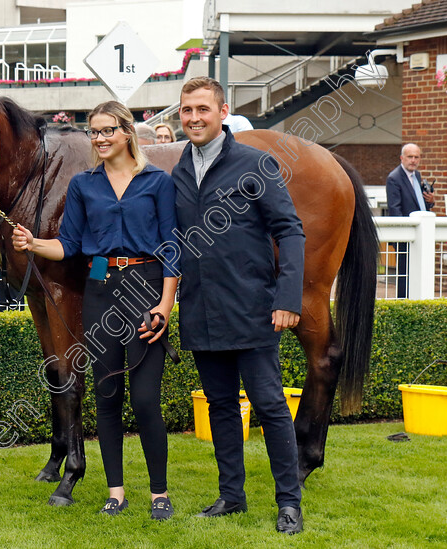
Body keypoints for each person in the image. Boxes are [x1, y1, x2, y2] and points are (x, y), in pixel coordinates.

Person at [12, 100, 179, 521]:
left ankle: (159, 493)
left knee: (144, 401)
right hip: (101, 292)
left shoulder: (157, 181)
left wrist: (165, 303)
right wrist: (31, 242)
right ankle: (116, 492)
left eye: (108, 130)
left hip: (145, 290)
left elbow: (171, 246)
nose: (100, 138)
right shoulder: (85, 185)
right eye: (94, 131)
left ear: (127, 132)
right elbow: (68, 244)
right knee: (107, 398)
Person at [171, 76, 305, 534]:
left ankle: (289, 502)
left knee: (269, 405)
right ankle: (232, 496)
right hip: (201, 310)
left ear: (222, 112)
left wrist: (288, 298)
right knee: (221, 405)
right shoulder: (179, 172)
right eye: (187, 110)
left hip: (253, 309)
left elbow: (290, 231)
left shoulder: (256, 164)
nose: (194, 118)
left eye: (203, 109)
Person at [386, 143, 434, 299]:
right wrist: (403, 236)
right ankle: (403, 304)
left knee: (419, 273)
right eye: (410, 157)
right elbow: (395, 210)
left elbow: (419, 204)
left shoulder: (417, 176)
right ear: (402, 158)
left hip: (420, 234)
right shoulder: (394, 178)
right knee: (404, 276)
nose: (413, 160)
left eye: (416, 157)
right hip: (405, 236)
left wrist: (430, 202)